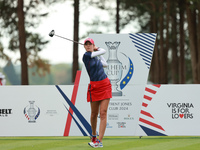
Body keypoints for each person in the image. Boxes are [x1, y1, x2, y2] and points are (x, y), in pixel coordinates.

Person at [82, 38, 112, 148]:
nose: (88, 46)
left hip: (105, 85)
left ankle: (99, 141)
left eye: (90, 44)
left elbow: (105, 64)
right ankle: (93, 135)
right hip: (94, 87)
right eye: (86, 44)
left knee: (103, 113)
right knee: (94, 114)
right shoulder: (86, 56)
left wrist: (96, 52)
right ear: (84, 47)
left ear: (93, 45)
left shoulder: (95, 56)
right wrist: (97, 49)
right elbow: (103, 50)